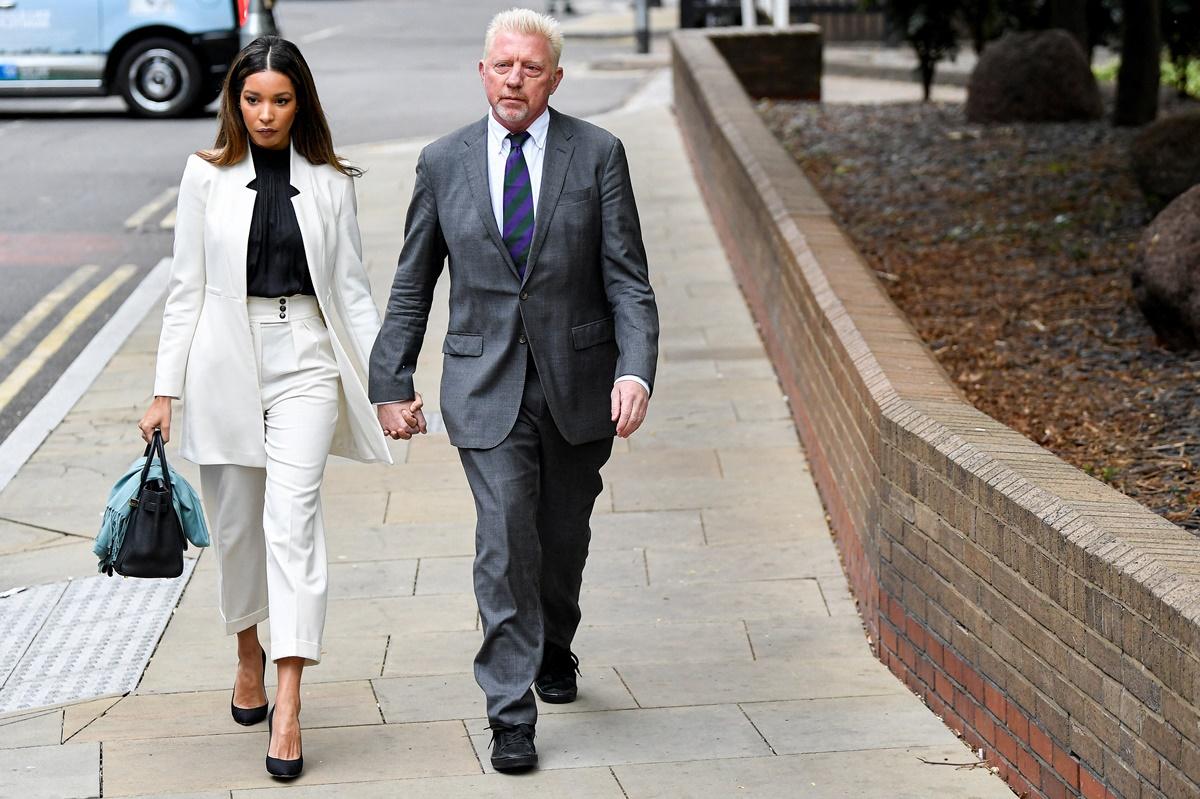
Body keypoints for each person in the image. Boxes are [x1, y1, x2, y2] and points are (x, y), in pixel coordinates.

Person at [370, 7, 659, 773]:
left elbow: (628, 280)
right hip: (484, 387)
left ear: (554, 79)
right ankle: (509, 711)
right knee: (505, 541)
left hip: (578, 383)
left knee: (561, 537)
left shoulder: (598, 153)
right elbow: (412, 284)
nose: (515, 79)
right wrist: (389, 380)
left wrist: (635, 370)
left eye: (531, 69)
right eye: (503, 65)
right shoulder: (443, 161)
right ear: (482, 72)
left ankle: (553, 641)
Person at [138, 35, 394, 780]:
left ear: (300, 102)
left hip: (305, 356)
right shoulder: (203, 177)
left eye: (281, 100)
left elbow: (352, 292)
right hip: (222, 359)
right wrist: (165, 390)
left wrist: (388, 380)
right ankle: (247, 648)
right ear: (235, 102)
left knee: (294, 520)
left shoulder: (331, 181)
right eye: (254, 99)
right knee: (240, 529)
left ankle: (288, 698)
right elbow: (185, 287)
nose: (266, 113)